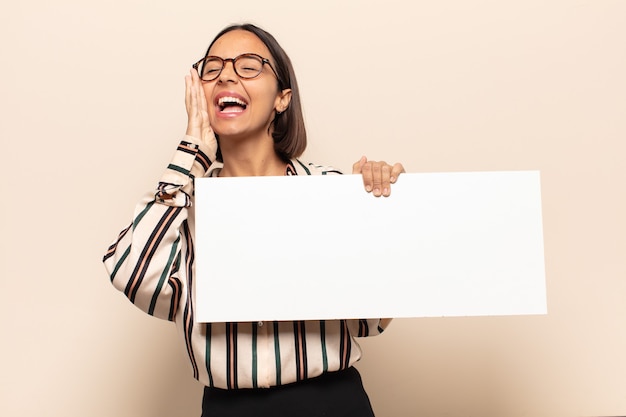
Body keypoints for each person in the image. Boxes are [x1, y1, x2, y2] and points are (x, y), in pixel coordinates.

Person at [103, 23, 404, 417]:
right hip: (229, 407)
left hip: (331, 403)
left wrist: (377, 210)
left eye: (248, 66)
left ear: (282, 98)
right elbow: (133, 275)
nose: (226, 74)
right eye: (212, 68)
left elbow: (371, 319)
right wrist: (191, 153)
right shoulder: (181, 205)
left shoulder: (327, 188)